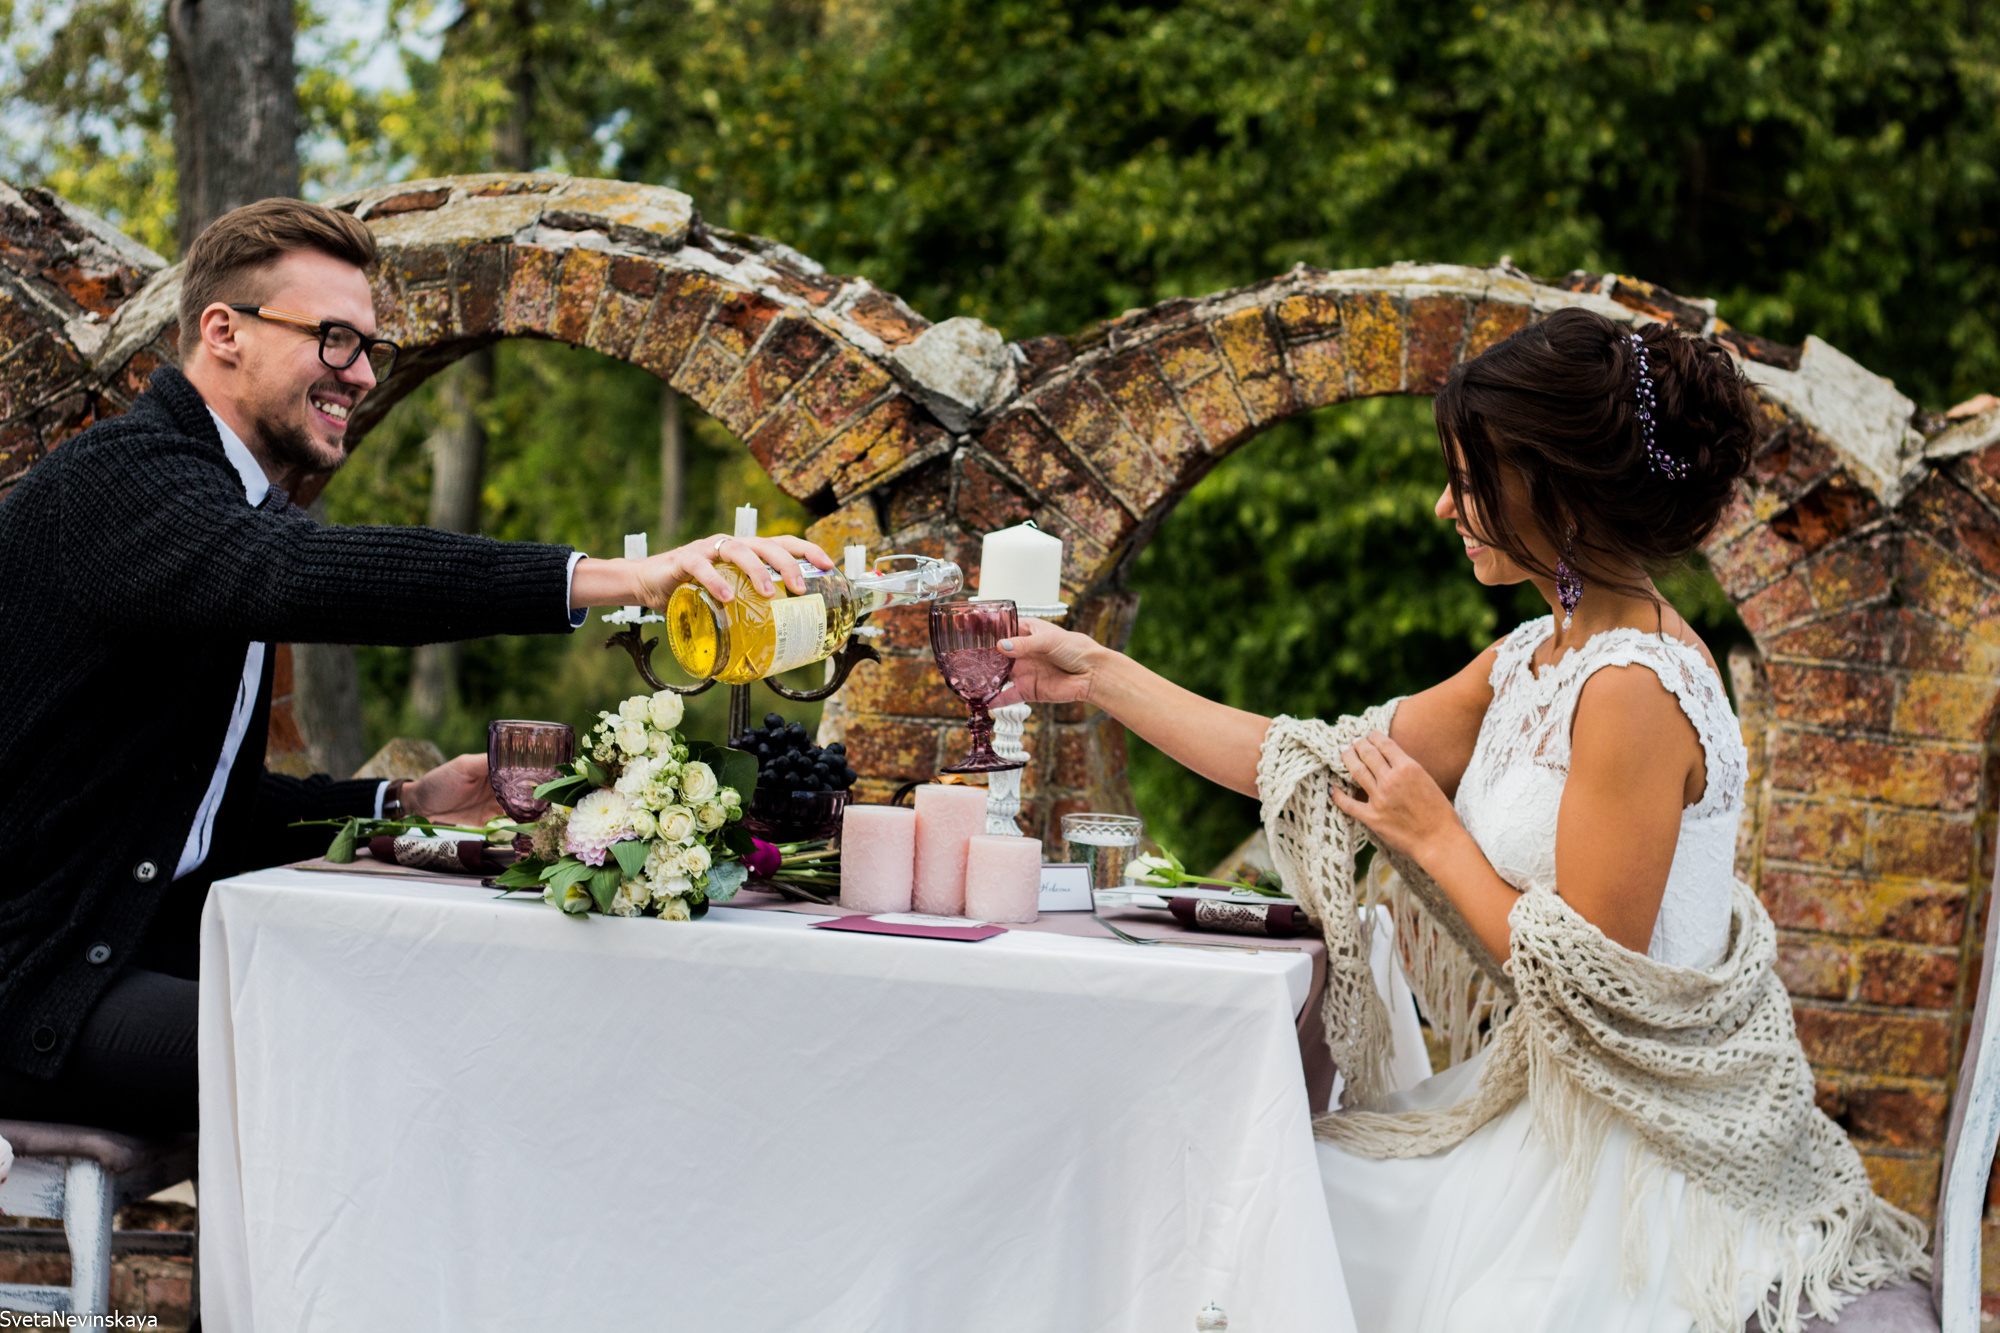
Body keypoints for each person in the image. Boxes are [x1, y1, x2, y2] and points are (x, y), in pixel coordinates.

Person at [996, 307, 1927, 1333]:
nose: (1445, 506)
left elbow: (1594, 975)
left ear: (1554, 493)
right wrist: (1096, 673)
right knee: (1226, 1206)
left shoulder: (1632, 685)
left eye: (1470, 480)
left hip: (1620, 1159)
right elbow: (1306, 757)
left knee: (1256, 1234)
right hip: (1534, 1106)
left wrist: (1430, 834)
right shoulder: (1533, 656)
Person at [0, 197, 830, 1136]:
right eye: (335, 340)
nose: (357, 375)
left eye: (370, 350)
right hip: (31, 980)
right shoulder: (125, 481)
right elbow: (301, 576)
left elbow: (203, 825)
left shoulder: (230, 519)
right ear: (223, 331)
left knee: (460, 1007)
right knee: (381, 1062)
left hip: (118, 951)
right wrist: (619, 576)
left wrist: (400, 805)